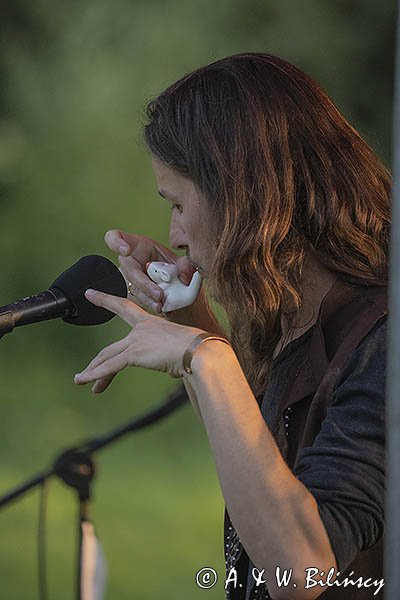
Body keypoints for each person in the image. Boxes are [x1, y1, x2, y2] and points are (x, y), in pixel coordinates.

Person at [74, 53, 390, 599]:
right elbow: (264, 476)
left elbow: (300, 569)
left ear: (243, 198)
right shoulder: (310, 320)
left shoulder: (383, 342)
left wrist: (207, 355)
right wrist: (187, 314)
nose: (173, 235)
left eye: (176, 204)